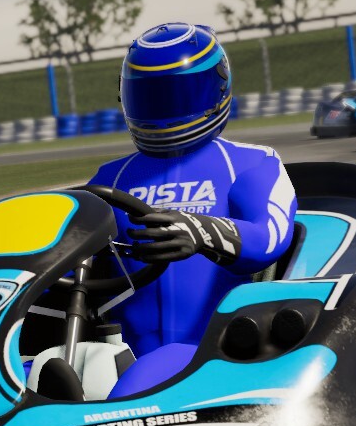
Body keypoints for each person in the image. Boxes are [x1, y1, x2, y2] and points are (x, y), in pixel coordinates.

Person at [88, 22, 296, 397]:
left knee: (152, 370)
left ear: (218, 90)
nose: (164, 111)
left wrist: (199, 231)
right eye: (151, 97)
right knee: (40, 367)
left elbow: (270, 238)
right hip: (117, 357)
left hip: (219, 356)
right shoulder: (107, 178)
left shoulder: (253, 163)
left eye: (178, 95)